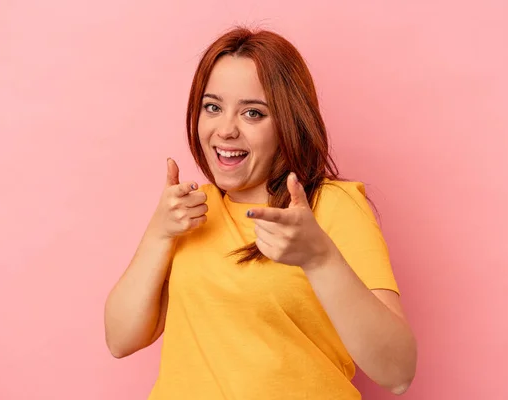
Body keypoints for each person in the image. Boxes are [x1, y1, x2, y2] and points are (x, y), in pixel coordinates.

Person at [104, 26, 417, 399]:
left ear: (289, 121)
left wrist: (320, 259)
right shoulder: (190, 210)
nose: (226, 130)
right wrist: (159, 233)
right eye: (213, 107)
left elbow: (397, 372)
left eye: (253, 113)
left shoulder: (332, 205)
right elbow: (120, 340)